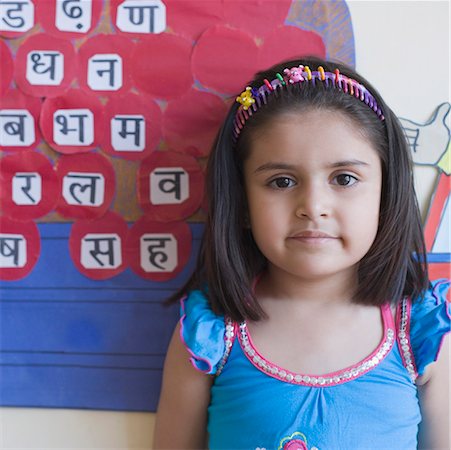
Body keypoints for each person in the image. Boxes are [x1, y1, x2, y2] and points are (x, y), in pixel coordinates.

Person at [153, 56, 450, 450]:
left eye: (344, 178)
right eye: (281, 181)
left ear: (386, 193)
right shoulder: (208, 334)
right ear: (242, 203)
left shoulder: (423, 334)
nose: (313, 205)